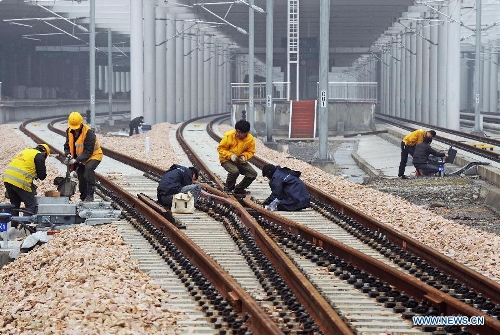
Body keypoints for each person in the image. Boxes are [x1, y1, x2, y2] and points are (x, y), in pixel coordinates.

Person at [63, 111, 103, 202]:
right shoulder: (69, 131)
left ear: (81, 123)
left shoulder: (89, 132)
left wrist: (76, 160)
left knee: (88, 169)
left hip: (94, 156)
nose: (75, 130)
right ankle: (83, 196)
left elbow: (88, 151)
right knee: (81, 175)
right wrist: (68, 154)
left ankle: (90, 195)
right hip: (80, 158)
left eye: (76, 128)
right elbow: (67, 146)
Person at [3, 144, 50, 217]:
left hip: (7, 178)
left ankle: (13, 226)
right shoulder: (39, 155)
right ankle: (23, 227)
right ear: (44, 152)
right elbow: (42, 176)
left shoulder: (26, 151)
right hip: (20, 181)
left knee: (15, 204)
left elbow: (25, 166)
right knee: (31, 205)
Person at [217, 120, 257, 195]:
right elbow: (220, 149)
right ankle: (228, 188)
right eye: (237, 131)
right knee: (234, 171)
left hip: (239, 160)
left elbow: (251, 151)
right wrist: (230, 155)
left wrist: (244, 157)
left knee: (252, 174)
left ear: (246, 132)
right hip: (226, 159)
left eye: (240, 132)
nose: (238, 134)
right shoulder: (229, 135)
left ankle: (239, 189)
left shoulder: (250, 139)